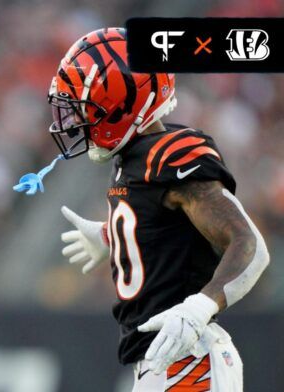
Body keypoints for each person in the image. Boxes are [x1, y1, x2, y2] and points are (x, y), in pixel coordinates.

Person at [44, 28, 268, 391]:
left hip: (189, 360)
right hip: (165, 361)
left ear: (120, 105)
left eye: (85, 107)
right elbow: (165, 226)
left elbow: (250, 245)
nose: (75, 119)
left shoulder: (170, 155)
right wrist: (112, 234)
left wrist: (201, 307)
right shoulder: (134, 159)